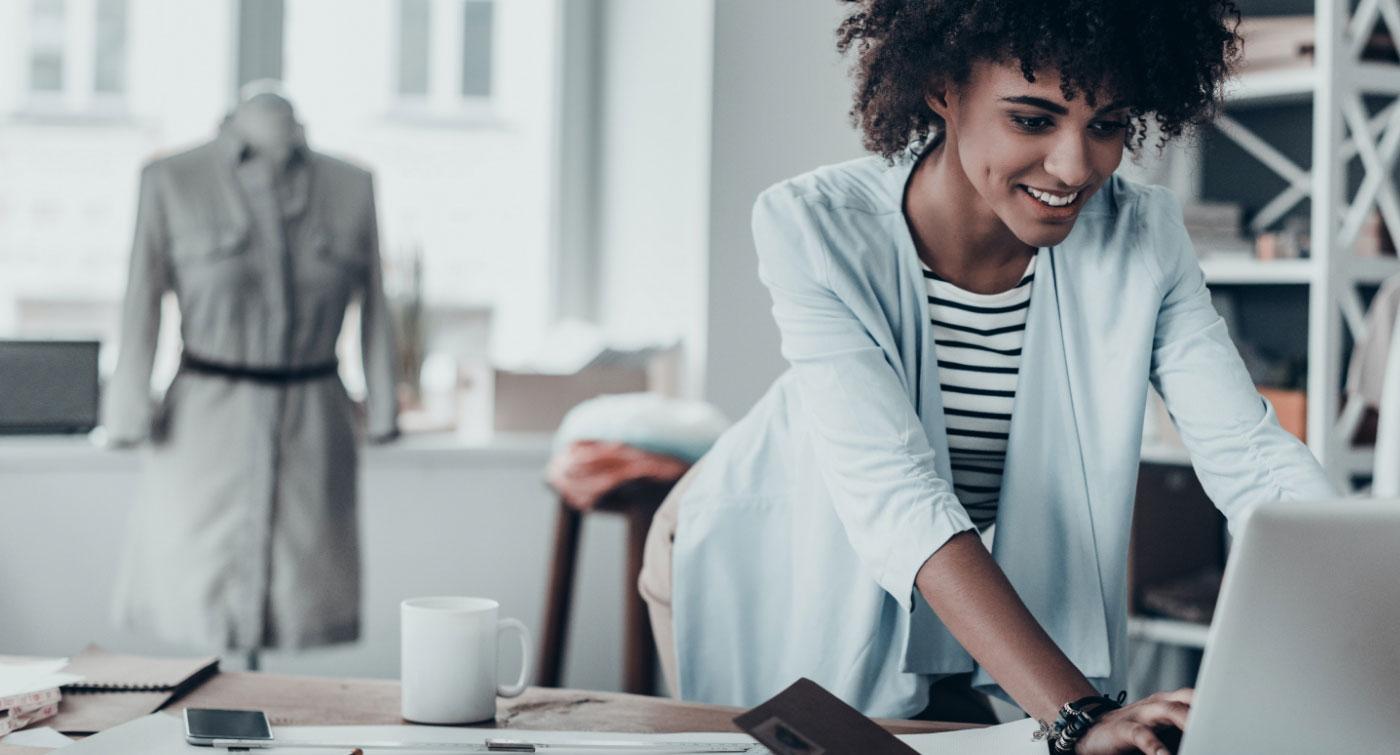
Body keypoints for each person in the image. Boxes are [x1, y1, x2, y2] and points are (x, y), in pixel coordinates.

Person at [638, 1, 1337, 753]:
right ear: (943, 87)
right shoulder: (813, 226)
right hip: (769, 545)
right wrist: (1076, 715)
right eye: (1033, 120)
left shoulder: (1144, 237)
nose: (1075, 166)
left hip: (956, 573)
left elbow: (1252, 458)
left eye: (1106, 124)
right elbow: (897, 494)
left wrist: (1365, 590)